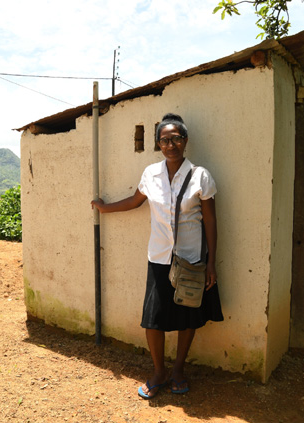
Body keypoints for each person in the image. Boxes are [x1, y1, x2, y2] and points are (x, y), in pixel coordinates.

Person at [91, 113, 223, 399]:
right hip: (159, 259)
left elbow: (211, 221)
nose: (170, 144)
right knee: (153, 320)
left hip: (191, 260)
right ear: (158, 144)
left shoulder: (201, 176)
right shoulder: (151, 174)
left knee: (188, 319)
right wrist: (105, 208)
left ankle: (178, 370)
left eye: (176, 138)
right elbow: (135, 201)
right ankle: (159, 372)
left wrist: (212, 262)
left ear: (185, 140)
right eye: (164, 139)